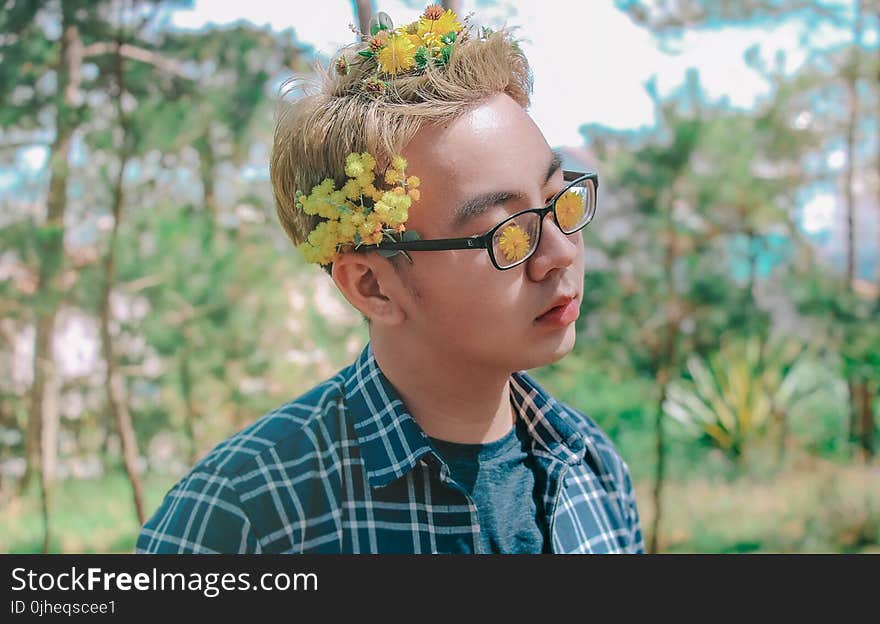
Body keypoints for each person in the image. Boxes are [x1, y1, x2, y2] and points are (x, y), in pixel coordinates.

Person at [136, 4, 644, 554]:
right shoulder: (245, 516)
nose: (559, 254)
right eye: (508, 234)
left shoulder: (593, 470)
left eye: (557, 201)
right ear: (372, 285)